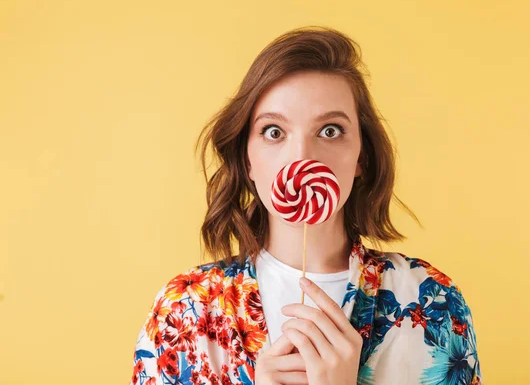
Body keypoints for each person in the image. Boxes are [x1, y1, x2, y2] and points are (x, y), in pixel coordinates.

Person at [129, 25, 483, 385]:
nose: (301, 158)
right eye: (274, 131)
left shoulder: (432, 302)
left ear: (361, 156)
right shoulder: (185, 310)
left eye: (329, 130)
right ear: (247, 157)